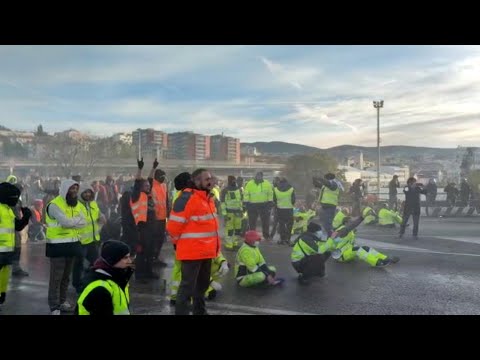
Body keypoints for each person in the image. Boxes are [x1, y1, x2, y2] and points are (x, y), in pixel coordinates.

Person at [167, 168, 221, 315]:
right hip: (192, 253)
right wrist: (181, 245)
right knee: (187, 288)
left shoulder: (207, 198)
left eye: (210, 178)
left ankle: (200, 312)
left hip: (206, 252)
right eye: (206, 179)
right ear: (197, 181)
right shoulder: (187, 198)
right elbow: (173, 227)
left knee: (202, 286)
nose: (210, 181)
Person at [45, 179, 86, 315]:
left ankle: (62, 302)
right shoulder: (54, 205)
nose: (74, 192)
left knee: (66, 278)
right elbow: (65, 223)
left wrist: (71, 222)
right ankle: (54, 306)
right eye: (71, 189)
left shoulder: (78, 204)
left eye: (76, 189)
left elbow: (84, 221)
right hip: (57, 247)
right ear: (64, 190)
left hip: (72, 246)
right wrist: (75, 222)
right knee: (56, 278)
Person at [76, 240, 134, 315]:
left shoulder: (117, 278)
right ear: (113, 259)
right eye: (125, 258)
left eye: (129, 257)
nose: (129, 261)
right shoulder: (99, 288)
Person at [0, 183, 31, 310]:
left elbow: (17, 226)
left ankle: (1, 295)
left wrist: (26, 217)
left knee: (4, 276)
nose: (16, 200)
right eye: (14, 197)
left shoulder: (7, 209)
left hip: (7, 252)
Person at [72, 184, 105, 294]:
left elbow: (98, 215)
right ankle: (77, 285)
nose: (87, 194)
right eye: (85, 192)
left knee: (96, 263)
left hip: (93, 240)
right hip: (80, 241)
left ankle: (93, 282)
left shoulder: (93, 203)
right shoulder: (76, 205)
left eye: (89, 192)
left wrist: (102, 216)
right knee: (79, 264)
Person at [331, 216, 399, 267]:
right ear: (346, 223)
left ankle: (385, 258)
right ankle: (377, 262)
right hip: (340, 256)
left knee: (366, 248)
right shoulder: (341, 230)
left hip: (346, 252)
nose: (353, 224)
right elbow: (333, 241)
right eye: (351, 222)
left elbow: (348, 242)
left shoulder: (350, 231)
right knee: (358, 250)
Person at [291, 220, 335, 284]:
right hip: (298, 263)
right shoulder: (306, 239)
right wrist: (331, 239)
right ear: (314, 232)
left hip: (303, 260)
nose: (321, 232)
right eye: (319, 230)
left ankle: (318, 271)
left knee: (327, 252)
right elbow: (319, 250)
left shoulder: (311, 238)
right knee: (318, 256)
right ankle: (303, 277)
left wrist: (332, 245)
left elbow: (324, 246)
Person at [147, 159, 169, 267]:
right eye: (162, 176)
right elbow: (149, 179)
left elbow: (166, 201)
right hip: (154, 218)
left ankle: (156, 257)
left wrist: (168, 214)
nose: (163, 178)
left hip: (162, 217)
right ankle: (151, 258)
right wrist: (153, 168)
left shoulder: (164, 186)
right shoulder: (152, 185)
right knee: (153, 239)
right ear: (157, 176)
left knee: (160, 239)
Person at [243, 172, 274, 241]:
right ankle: (253, 236)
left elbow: (270, 193)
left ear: (262, 176)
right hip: (252, 205)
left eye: (260, 176)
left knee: (265, 221)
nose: (259, 177)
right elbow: (246, 194)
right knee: (252, 222)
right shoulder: (250, 183)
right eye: (257, 176)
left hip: (264, 205)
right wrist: (246, 203)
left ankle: (266, 235)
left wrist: (270, 202)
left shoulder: (267, 183)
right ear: (255, 176)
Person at [220, 175, 244, 250]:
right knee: (229, 229)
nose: (233, 182)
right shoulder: (225, 191)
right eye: (232, 180)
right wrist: (224, 214)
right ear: (229, 181)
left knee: (237, 229)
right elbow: (222, 203)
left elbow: (241, 201)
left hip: (238, 212)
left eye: (234, 180)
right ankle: (229, 245)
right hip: (229, 213)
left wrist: (241, 211)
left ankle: (235, 243)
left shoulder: (239, 190)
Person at [272, 177, 295, 245]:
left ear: (280, 182)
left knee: (281, 224)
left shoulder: (275, 189)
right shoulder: (291, 189)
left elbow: (274, 200)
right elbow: (293, 200)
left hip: (280, 209)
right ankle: (288, 239)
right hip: (289, 209)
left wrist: (277, 205)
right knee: (289, 225)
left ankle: (282, 239)